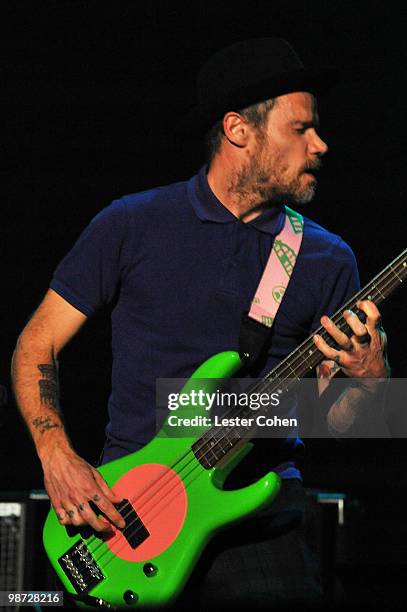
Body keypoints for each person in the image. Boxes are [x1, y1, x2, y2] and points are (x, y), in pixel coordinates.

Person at [12, 38, 389, 609]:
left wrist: (373, 377)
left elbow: (342, 419)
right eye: (300, 129)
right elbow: (36, 342)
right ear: (239, 130)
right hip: (127, 516)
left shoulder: (328, 258)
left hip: (257, 516)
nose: (320, 144)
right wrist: (56, 456)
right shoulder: (132, 223)